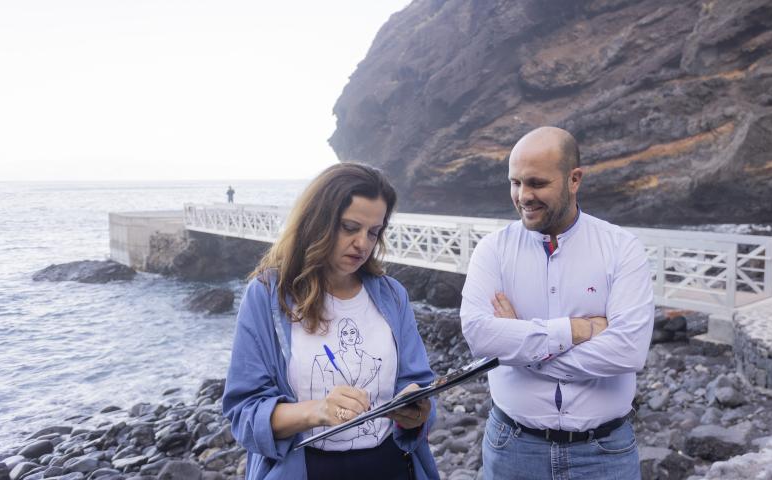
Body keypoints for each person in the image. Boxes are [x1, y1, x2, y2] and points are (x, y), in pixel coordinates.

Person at [222, 163, 439, 480]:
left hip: (392, 466)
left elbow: (420, 387)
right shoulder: (268, 295)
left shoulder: (392, 295)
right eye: (350, 227)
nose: (363, 243)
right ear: (317, 222)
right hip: (308, 470)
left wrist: (417, 410)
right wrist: (317, 411)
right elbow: (244, 415)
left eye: (374, 232)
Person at [460, 126, 654, 479]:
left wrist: (521, 348)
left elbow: (628, 351)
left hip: (604, 453)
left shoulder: (622, 248)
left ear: (574, 179)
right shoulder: (493, 250)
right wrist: (576, 330)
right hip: (513, 448)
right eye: (515, 183)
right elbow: (479, 336)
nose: (523, 196)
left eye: (536, 183)